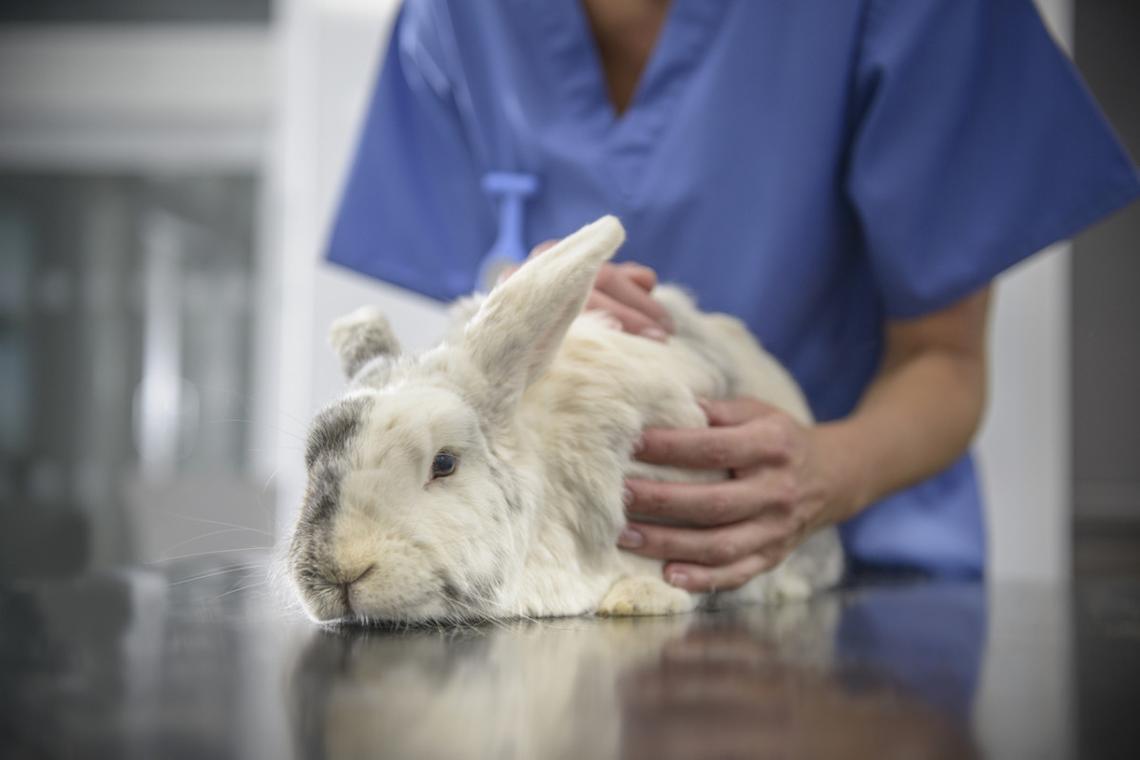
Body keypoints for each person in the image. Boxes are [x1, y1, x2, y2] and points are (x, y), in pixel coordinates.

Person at [326, 0, 1140, 589]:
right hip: (569, 574)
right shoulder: (451, 19)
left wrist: (827, 473)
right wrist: (516, 297)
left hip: (859, 581)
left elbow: (945, 360)